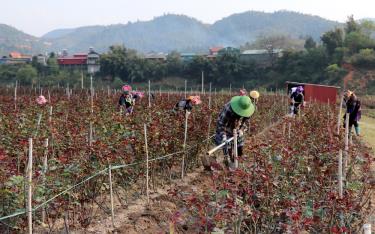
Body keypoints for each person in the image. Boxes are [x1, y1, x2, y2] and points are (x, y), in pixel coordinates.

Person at [210, 96, 255, 170]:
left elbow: (245, 122)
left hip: (237, 127)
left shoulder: (248, 110)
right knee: (227, 147)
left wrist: (242, 130)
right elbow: (221, 124)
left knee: (240, 147)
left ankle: (238, 163)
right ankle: (229, 164)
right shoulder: (228, 109)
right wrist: (224, 136)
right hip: (226, 127)